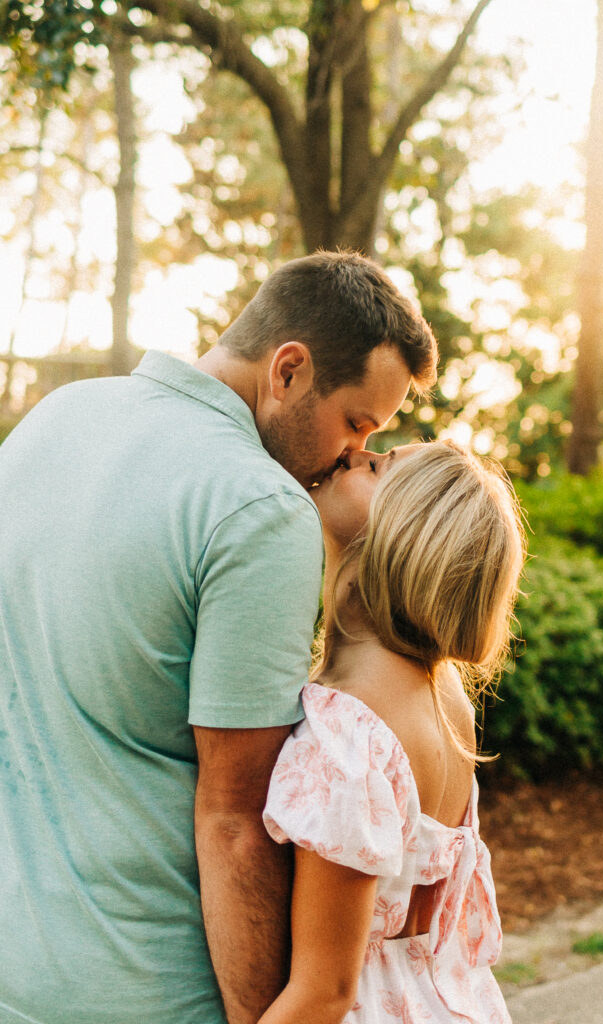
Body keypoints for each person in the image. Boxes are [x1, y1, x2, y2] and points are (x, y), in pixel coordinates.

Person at [0, 251, 438, 1024]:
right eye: (356, 422)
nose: (349, 452)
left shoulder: (52, 420)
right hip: (154, 992)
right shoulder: (258, 508)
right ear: (289, 370)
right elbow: (235, 818)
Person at [259, 440, 525, 1024]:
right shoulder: (445, 695)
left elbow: (324, 992)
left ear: (406, 535)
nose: (355, 451)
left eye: (378, 467)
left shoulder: (350, 731)